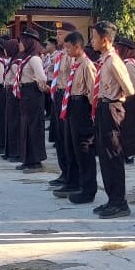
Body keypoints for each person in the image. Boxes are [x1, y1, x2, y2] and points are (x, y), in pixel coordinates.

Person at [91, 21, 135, 219]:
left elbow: (129, 88)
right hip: (102, 106)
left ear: (105, 40)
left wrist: (116, 99)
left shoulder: (114, 61)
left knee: (113, 155)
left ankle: (120, 202)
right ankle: (112, 199)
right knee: (104, 155)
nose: (92, 40)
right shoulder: (103, 60)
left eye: (94, 37)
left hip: (112, 107)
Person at [53, 31, 97, 204]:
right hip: (71, 104)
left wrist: (93, 115)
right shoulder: (76, 64)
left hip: (82, 107)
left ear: (78, 47)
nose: (66, 51)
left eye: (69, 47)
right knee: (71, 147)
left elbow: (93, 92)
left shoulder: (86, 65)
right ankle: (73, 182)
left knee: (84, 149)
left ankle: (88, 189)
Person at [48, 23, 77, 188]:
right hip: (58, 96)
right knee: (59, 137)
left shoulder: (72, 56)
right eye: (57, 33)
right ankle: (64, 172)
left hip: (68, 97)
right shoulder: (59, 55)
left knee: (67, 139)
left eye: (61, 33)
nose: (57, 36)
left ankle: (71, 175)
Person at [15, 30, 47, 171]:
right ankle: (27, 159)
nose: (19, 44)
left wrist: (40, 87)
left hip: (33, 93)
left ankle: (35, 161)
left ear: (29, 43)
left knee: (34, 126)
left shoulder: (34, 59)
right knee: (26, 126)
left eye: (22, 42)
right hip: (26, 92)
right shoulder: (26, 58)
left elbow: (42, 78)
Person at [115, 37, 135, 164]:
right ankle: (125, 152)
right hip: (126, 98)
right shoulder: (124, 63)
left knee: (128, 126)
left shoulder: (128, 64)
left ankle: (128, 153)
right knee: (126, 126)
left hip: (130, 98)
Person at [2, 39, 22, 161]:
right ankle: (10, 151)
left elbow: (18, 79)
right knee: (9, 121)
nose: (5, 50)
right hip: (9, 92)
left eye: (7, 48)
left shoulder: (16, 63)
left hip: (14, 93)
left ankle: (16, 152)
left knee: (14, 122)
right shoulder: (12, 61)